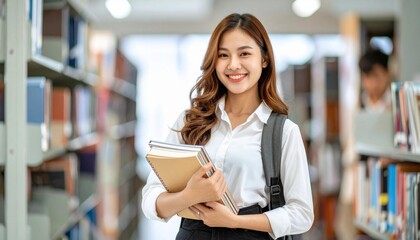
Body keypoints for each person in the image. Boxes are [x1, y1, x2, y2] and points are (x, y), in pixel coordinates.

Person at [142, 13, 314, 239]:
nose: (233, 65)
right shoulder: (190, 121)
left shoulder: (283, 132)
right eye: (223, 55)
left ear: (264, 59)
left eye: (244, 53)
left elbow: (302, 214)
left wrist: (233, 221)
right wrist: (188, 196)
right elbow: (150, 199)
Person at [336, 48, 392, 240]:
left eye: (376, 75)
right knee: (349, 231)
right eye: (367, 77)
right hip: (356, 184)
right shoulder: (356, 108)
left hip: (387, 184)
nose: (372, 83)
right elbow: (348, 150)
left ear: (387, 73)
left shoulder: (395, 106)